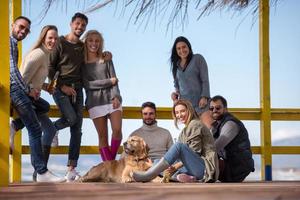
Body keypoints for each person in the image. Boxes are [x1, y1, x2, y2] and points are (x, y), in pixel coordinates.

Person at [9, 16, 63, 182]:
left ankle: (14, 125)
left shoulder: (45, 55)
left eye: (55, 38)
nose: (53, 41)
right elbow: (20, 76)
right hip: (18, 92)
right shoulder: (38, 54)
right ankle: (41, 172)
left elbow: (31, 78)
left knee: (44, 107)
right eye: (50, 38)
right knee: (35, 129)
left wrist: (45, 87)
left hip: (25, 92)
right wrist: (30, 90)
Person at [133, 99, 218, 183]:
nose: (179, 115)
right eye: (177, 112)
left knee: (178, 146)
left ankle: (149, 175)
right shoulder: (184, 131)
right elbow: (179, 157)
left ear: (189, 110)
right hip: (192, 168)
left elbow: (195, 152)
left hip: (204, 170)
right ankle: (186, 178)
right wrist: (172, 166)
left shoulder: (195, 124)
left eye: (182, 111)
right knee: (156, 162)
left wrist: (175, 166)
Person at [48, 12, 89, 182]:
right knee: (71, 118)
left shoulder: (82, 46)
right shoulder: (60, 42)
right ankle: (52, 128)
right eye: (77, 24)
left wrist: (106, 55)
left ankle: (71, 169)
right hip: (61, 88)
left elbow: (93, 57)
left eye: (83, 25)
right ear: (71, 24)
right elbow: (50, 68)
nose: (80, 27)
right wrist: (61, 87)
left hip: (78, 90)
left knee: (77, 130)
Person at [82, 30, 122, 161]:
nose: (94, 43)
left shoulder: (106, 59)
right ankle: (109, 167)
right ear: (86, 42)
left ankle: (109, 165)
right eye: (91, 40)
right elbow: (87, 85)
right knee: (102, 137)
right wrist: (108, 82)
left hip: (112, 99)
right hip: (94, 102)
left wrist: (117, 97)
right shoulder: (81, 63)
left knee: (117, 131)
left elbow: (114, 79)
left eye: (97, 40)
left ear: (100, 43)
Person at [209, 95, 255, 182]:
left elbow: (214, 148)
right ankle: (188, 175)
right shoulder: (215, 126)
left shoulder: (230, 124)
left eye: (218, 108)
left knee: (203, 159)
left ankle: (192, 176)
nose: (214, 110)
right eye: (211, 108)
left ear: (225, 109)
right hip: (230, 165)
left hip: (237, 167)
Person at [170, 36, 212, 128]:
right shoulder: (176, 67)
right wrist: (175, 96)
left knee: (209, 133)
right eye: (179, 48)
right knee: (193, 137)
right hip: (187, 109)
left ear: (189, 47)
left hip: (202, 105)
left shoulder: (198, 58)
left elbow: (205, 79)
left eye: (184, 47)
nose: (182, 50)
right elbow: (177, 85)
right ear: (176, 51)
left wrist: (204, 96)